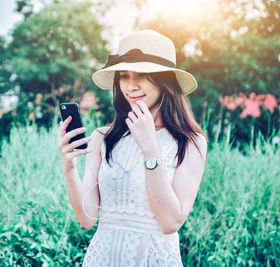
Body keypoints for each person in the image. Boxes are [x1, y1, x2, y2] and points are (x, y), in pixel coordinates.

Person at [58, 29, 207, 266]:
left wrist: (150, 148)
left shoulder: (190, 141)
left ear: (165, 80)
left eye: (141, 75)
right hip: (102, 258)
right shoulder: (102, 137)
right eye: (124, 76)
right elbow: (87, 219)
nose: (130, 86)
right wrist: (69, 167)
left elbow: (170, 222)